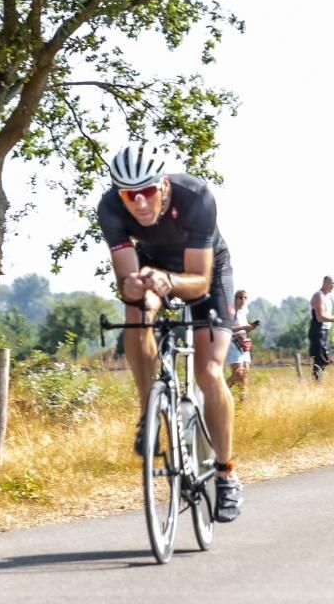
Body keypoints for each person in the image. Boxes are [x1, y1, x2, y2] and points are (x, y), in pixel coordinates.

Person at [97, 141, 242, 523]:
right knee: (136, 312)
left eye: (147, 191)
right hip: (153, 267)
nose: (139, 203)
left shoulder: (196, 197)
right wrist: (133, 286)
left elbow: (198, 281)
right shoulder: (110, 207)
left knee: (209, 371)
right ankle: (149, 409)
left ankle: (226, 473)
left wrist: (168, 280)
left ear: (163, 185)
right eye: (129, 195)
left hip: (205, 274)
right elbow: (126, 280)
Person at [226, 290, 259, 401]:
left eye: (245, 297)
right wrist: (244, 327)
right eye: (240, 297)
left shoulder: (244, 311)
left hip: (244, 344)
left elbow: (244, 327)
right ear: (235, 299)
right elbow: (227, 328)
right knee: (238, 373)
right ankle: (219, 392)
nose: (243, 299)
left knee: (245, 375)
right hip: (233, 343)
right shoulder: (231, 311)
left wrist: (250, 327)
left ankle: (242, 404)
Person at [308, 275, 334, 381]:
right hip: (318, 330)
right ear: (325, 283)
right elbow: (320, 317)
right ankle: (317, 382)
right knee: (319, 358)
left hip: (326, 330)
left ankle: (319, 381)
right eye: (331, 284)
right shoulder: (318, 296)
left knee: (325, 358)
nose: (333, 286)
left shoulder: (328, 297)